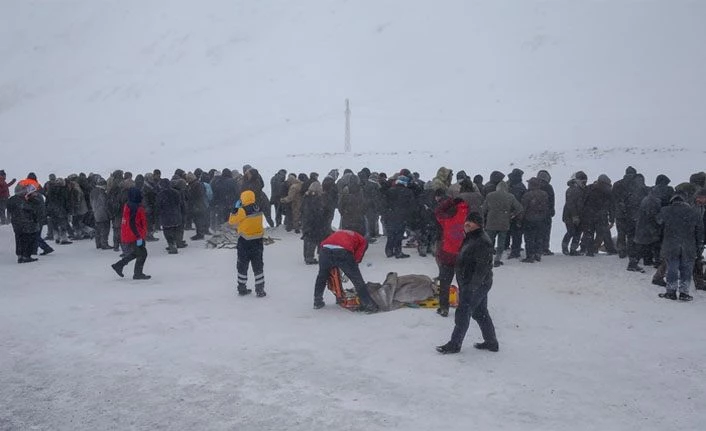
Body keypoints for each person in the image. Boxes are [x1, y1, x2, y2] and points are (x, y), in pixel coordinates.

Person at [436, 212, 498, 354]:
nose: (467, 224)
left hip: (475, 284)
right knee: (480, 312)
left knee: (463, 312)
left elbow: (482, 268)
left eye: (471, 222)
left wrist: (472, 287)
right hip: (472, 283)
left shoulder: (482, 241)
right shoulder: (471, 237)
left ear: (479, 224)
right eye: (466, 221)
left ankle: (455, 344)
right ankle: (491, 342)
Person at [312, 229, 378, 312]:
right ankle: (368, 304)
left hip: (325, 250)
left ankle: (317, 301)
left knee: (322, 276)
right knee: (357, 279)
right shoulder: (363, 240)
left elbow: (325, 243)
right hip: (342, 252)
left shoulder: (341, 232)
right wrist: (353, 266)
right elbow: (358, 255)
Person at [656, 192, 704, 301]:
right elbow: (700, 231)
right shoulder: (694, 212)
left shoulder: (665, 210)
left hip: (671, 244)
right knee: (686, 269)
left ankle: (671, 291)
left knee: (672, 268)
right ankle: (684, 292)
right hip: (689, 246)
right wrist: (699, 245)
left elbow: (658, 222)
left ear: (672, 200)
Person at [434, 197, 470, 317]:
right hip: (464, 255)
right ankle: (465, 307)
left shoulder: (447, 219)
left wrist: (449, 201)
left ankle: (444, 307)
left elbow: (437, 212)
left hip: (447, 254)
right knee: (464, 283)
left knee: (445, 282)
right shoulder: (469, 219)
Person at [229, 190, 266, 297]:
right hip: (258, 241)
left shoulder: (242, 211)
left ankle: (242, 288)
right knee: (258, 265)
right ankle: (260, 289)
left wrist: (235, 209)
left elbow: (232, 221)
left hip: (244, 241)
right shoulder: (258, 208)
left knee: (242, 265)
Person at [111, 187, 151, 280]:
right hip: (135, 235)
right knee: (142, 253)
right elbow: (132, 223)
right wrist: (138, 236)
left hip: (129, 234)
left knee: (137, 253)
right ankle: (137, 273)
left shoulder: (128, 204)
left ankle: (119, 265)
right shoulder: (136, 207)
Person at [481, 181, 522, 267]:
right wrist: (512, 215)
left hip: (491, 222)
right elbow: (519, 208)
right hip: (504, 222)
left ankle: (487, 258)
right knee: (501, 242)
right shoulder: (510, 196)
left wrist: (485, 217)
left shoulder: (490, 195)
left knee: (489, 241)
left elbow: (483, 209)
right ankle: (497, 259)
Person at [7, 184, 40, 263]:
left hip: (16, 222)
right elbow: (31, 209)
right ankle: (26, 256)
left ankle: (20, 256)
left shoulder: (12, 199)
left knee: (19, 238)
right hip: (25, 222)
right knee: (27, 238)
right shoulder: (23, 200)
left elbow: (10, 209)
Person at [561, 171, 588, 255]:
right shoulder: (572, 190)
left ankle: (573, 249)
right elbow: (571, 204)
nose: (584, 183)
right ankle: (565, 247)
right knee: (571, 231)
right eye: (583, 181)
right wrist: (575, 216)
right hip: (570, 216)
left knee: (578, 232)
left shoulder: (581, 190)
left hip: (579, 215)